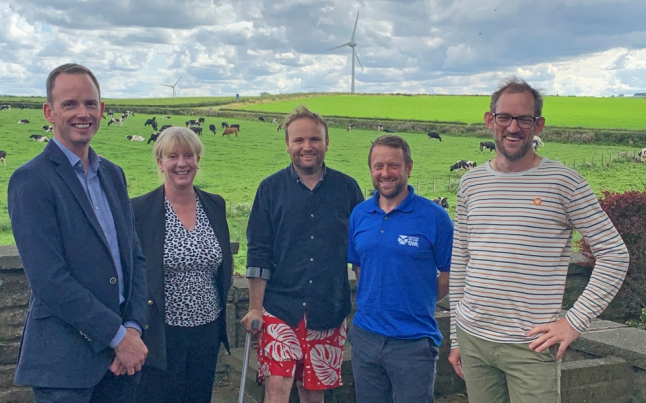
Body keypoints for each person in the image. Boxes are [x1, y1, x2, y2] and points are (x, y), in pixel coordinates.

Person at [448, 77, 630, 403]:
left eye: (524, 119)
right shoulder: (470, 183)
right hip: (473, 339)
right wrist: (454, 337)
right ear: (491, 121)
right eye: (504, 117)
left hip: (530, 347)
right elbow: (461, 257)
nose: (513, 127)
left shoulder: (564, 182)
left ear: (538, 125)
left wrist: (573, 322)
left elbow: (615, 255)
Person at [7, 63, 148, 402]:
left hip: (121, 363)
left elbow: (135, 259)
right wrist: (118, 337)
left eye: (90, 103)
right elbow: (50, 281)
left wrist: (133, 328)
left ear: (102, 109)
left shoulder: (113, 175)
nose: (82, 113)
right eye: (69, 104)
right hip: (66, 368)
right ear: (49, 111)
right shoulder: (31, 181)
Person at [242, 105, 364, 403]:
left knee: (314, 392)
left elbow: (361, 252)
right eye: (299, 140)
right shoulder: (269, 189)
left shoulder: (348, 189)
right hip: (280, 307)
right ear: (287, 145)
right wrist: (255, 308)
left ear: (326, 143)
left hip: (328, 308)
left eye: (314, 139)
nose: (306, 147)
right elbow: (259, 253)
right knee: (277, 388)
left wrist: (365, 303)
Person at [347, 134, 454, 403]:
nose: (385, 173)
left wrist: (419, 299)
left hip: (413, 341)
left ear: (409, 167)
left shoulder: (434, 217)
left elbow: (451, 273)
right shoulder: (359, 214)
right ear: (371, 169)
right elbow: (359, 266)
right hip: (366, 337)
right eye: (378, 166)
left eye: (393, 165)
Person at [132, 127, 233, 403]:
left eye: (189, 155)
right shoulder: (140, 210)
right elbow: (133, 274)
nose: (181, 163)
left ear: (197, 160)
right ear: (160, 162)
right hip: (162, 334)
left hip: (207, 330)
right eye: (172, 156)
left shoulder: (214, 204)